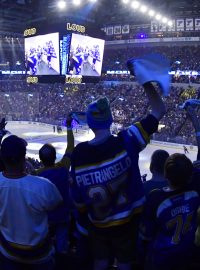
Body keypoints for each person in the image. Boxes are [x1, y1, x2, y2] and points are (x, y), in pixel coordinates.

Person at [71, 79, 166, 270]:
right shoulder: (127, 140)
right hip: (127, 221)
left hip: (97, 223)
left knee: (100, 261)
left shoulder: (79, 154)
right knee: (124, 262)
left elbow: (78, 200)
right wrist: (146, 81)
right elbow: (159, 111)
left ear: (89, 123)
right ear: (110, 119)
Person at [0, 135, 62, 270]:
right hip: (39, 255)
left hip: (8, 251)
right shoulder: (42, 186)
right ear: (24, 158)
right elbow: (56, 203)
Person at [140, 153, 200, 270]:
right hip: (185, 254)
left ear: (165, 174)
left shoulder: (156, 198)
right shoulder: (195, 194)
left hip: (161, 258)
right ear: (189, 176)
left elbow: (146, 235)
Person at [34, 116, 74, 256]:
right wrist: (69, 127)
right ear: (55, 156)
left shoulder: (37, 174)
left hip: (47, 217)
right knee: (62, 242)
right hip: (63, 214)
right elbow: (70, 148)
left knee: (45, 242)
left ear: (40, 160)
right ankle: (62, 258)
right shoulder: (63, 167)